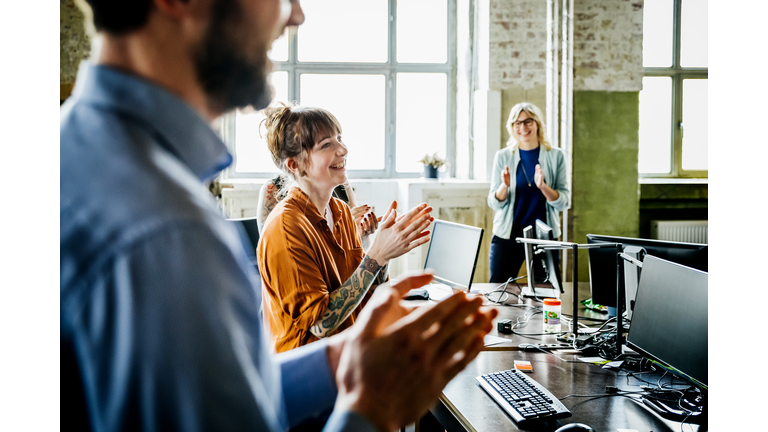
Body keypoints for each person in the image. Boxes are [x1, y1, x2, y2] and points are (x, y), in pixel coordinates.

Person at [60, 1, 497, 431]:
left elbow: (241, 396)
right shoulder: (168, 230)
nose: (296, 14)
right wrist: (372, 405)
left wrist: (341, 357)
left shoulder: (81, 155)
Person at [257, 103, 434, 352]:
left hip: (348, 358)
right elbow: (321, 323)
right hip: (307, 375)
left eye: (339, 139)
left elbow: (368, 293)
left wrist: (385, 252)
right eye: (326, 145)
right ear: (295, 165)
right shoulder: (286, 228)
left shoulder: (340, 211)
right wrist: (376, 255)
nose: (343, 150)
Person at [487, 102, 570, 283]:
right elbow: (493, 202)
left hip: (544, 237)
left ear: (537, 123)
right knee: (498, 290)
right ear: (512, 127)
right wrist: (504, 186)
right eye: (517, 123)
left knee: (547, 293)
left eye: (528, 121)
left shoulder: (556, 156)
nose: (523, 127)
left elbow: (565, 202)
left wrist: (543, 187)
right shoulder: (503, 156)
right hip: (508, 235)